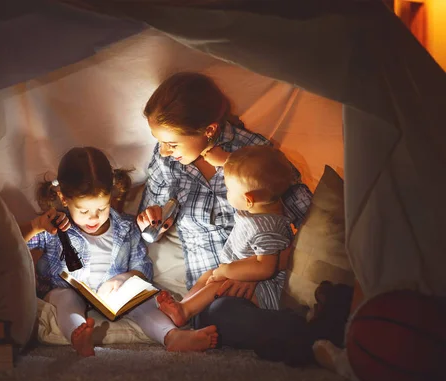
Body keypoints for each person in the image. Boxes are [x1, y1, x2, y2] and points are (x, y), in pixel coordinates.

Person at [137, 72, 313, 348]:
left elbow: (310, 223)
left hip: (259, 285)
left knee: (229, 316)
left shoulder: (255, 154)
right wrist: (151, 222)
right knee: (211, 315)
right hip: (203, 294)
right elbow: (150, 231)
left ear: (208, 130)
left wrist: (256, 272)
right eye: (159, 142)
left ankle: (303, 334)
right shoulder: (166, 163)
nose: (164, 152)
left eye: (172, 144)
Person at [19, 147, 218, 357]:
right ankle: (78, 335)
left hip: (113, 299)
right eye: (84, 211)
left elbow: (143, 266)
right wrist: (35, 225)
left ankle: (172, 336)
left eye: (102, 209)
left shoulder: (126, 227)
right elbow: (11, 242)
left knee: (141, 300)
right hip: (66, 290)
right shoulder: (53, 226)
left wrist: (124, 278)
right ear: (64, 198)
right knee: (65, 298)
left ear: (111, 196)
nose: (94, 218)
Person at [156, 145, 295, 327]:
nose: (227, 193)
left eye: (229, 189)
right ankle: (184, 307)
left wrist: (226, 271)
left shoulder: (268, 226)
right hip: (240, 274)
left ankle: (184, 312)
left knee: (220, 282)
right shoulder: (256, 211)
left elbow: (265, 268)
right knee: (209, 275)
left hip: (265, 291)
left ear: (248, 200)